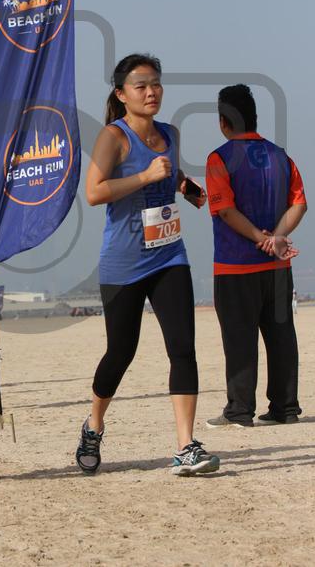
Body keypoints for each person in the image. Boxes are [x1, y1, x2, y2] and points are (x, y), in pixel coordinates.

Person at [76, 53, 220, 477]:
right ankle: (94, 424)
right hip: (124, 262)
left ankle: (185, 446)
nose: (151, 92)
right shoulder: (113, 137)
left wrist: (188, 188)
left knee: (183, 348)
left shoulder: (170, 133)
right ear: (122, 95)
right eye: (141, 86)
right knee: (121, 352)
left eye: (155, 83)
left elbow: (169, 173)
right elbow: (94, 192)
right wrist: (145, 177)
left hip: (169, 254)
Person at [205, 85, 307, 429]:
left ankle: (239, 410)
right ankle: (285, 407)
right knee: (281, 335)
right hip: (277, 266)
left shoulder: (219, 159)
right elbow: (299, 204)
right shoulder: (281, 156)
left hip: (235, 265)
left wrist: (260, 239)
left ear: (223, 122)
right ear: (254, 118)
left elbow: (226, 210)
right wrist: (276, 238)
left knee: (239, 338)